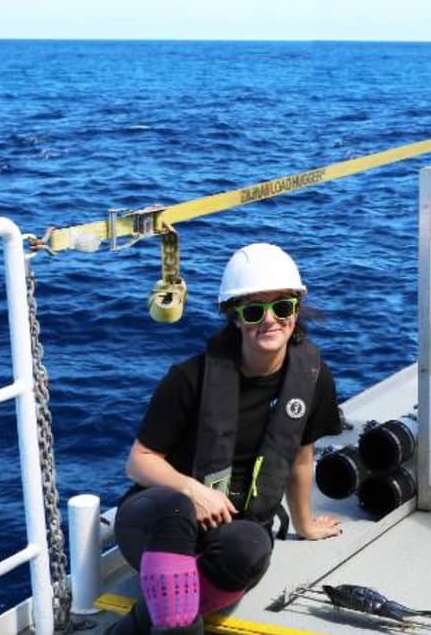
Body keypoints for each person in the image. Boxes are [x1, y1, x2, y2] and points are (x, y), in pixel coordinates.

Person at [111, 242, 344, 633]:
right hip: (162, 523)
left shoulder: (314, 379)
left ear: (296, 310)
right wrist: (192, 491)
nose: (269, 321)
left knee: (249, 550)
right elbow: (139, 460)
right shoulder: (189, 378)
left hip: (235, 523)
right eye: (254, 310)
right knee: (175, 509)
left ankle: (146, 619)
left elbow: (301, 458)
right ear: (235, 317)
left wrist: (304, 524)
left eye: (282, 307)